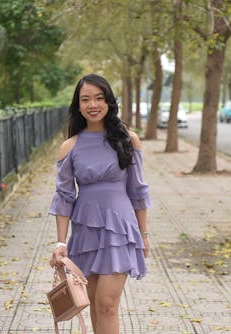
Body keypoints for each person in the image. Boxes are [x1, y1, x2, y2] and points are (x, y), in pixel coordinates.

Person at [49, 73, 150, 334]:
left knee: (107, 304)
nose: (92, 104)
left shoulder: (128, 140)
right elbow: (64, 197)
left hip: (120, 230)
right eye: (86, 99)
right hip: (86, 232)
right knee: (93, 303)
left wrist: (145, 234)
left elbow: (138, 191)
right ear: (78, 105)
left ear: (108, 102)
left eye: (98, 98)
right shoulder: (70, 147)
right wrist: (61, 243)